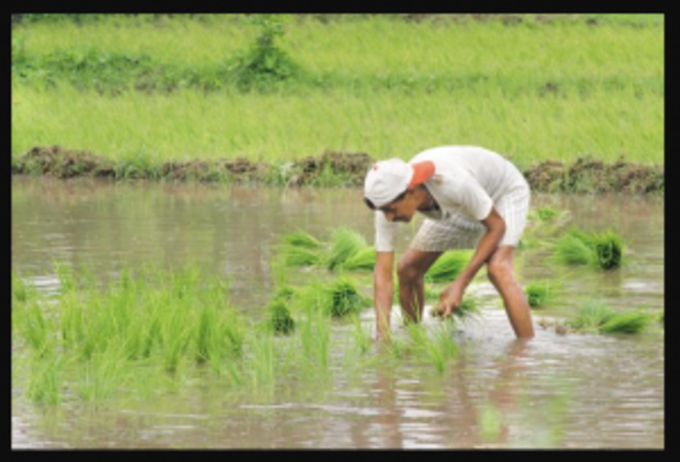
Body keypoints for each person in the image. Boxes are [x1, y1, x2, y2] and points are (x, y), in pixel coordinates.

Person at [363, 145, 535, 341]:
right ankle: (415, 339)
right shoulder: (386, 203)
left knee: (498, 268)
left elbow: (496, 226)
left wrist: (460, 284)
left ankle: (525, 354)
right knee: (408, 268)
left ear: (411, 192)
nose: (389, 219)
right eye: (384, 212)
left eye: (391, 210)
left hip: (503, 194)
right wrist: (382, 336)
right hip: (457, 206)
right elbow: (383, 273)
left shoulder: (453, 182)